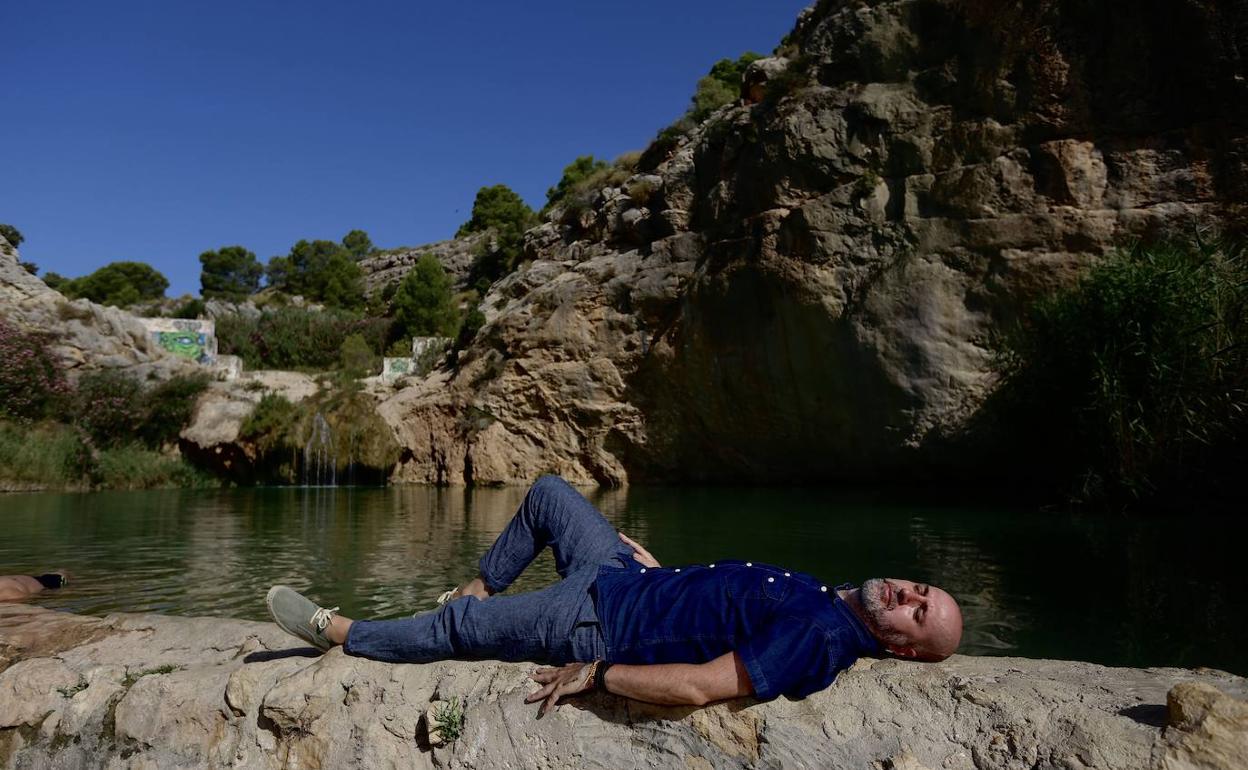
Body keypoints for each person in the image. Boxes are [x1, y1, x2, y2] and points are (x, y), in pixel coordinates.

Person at [266, 476, 962, 714]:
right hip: (631, 580)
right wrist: (669, 572)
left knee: (464, 630)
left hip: (598, 620)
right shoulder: (830, 598)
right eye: (921, 589)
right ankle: (478, 578)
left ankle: (342, 631)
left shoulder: (822, 638)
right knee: (547, 495)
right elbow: (724, 606)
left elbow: (702, 686)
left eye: (916, 612)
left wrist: (601, 674)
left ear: (899, 645)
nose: (908, 592)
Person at [0, 572, 68, 602]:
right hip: (27, 581)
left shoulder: (7, 592)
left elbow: (27, 598)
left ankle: (62, 572)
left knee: (63, 576)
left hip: (44, 584)